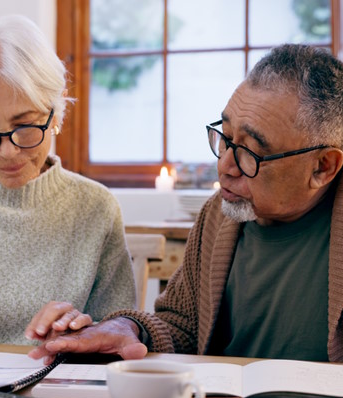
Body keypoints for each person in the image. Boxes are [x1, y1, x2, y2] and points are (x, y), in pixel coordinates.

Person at [28, 43, 343, 364]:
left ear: (323, 167)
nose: (225, 167)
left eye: (250, 152)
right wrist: (127, 328)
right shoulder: (218, 215)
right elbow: (181, 326)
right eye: (227, 138)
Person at [0, 15, 135, 345]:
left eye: (25, 126)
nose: (7, 151)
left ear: (56, 112)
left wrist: (85, 331)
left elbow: (117, 332)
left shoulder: (95, 208)